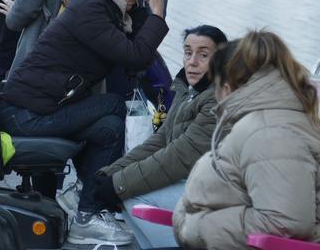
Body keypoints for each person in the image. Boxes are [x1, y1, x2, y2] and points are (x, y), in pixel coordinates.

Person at [0, 0, 169, 246]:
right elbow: (134, 55)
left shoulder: (99, 6)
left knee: (109, 127)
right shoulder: (90, 10)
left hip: (40, 108)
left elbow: (135, 53)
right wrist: (157, 16)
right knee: (113, 105)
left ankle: (86, 207)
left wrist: (143, 14)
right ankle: (85, 205)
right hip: (25, 115)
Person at [173, 30, 320, 249]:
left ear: (226, 86)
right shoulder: (268, 123)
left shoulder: (271, 134)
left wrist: (198, 227)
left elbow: (282, 223)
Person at [81, 26, 231, 249]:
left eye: (203, 55)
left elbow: (179, 156)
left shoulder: (215, 99)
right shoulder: (188, 90)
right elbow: (159, 141)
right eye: (188, 52)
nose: (192, 61)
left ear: (221, 59)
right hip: (192, 181)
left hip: (217, 192)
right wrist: (109, 173)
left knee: (134, 196)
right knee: (126, 191)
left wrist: (118, 184)